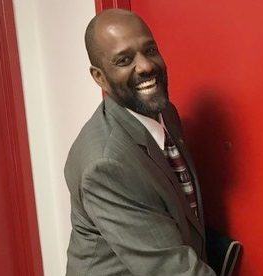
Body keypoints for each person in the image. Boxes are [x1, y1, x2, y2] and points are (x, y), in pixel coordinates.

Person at [64, 8, 216, 276]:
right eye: (124, 60)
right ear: (100, 77)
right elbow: (171, 270)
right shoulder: (105, 165)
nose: (146, 66)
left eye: (150, 50)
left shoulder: (164, 113)